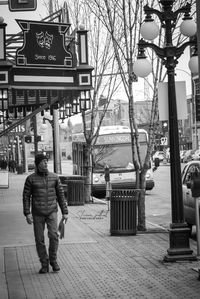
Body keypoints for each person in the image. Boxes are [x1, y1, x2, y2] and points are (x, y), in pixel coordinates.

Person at [23, 153, 68, 274]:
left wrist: (65, 212)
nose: (45, 163)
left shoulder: (54, 177)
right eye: (43, 161)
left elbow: (61, 195)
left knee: (54, 236)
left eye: (46, 161)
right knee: (39, 239)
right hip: (37, 213)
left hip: (52, 211)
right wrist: (27, 213)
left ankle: (53, 260)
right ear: (37, 164)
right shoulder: (30, 179)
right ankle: (44, 263)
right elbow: (26, 197)